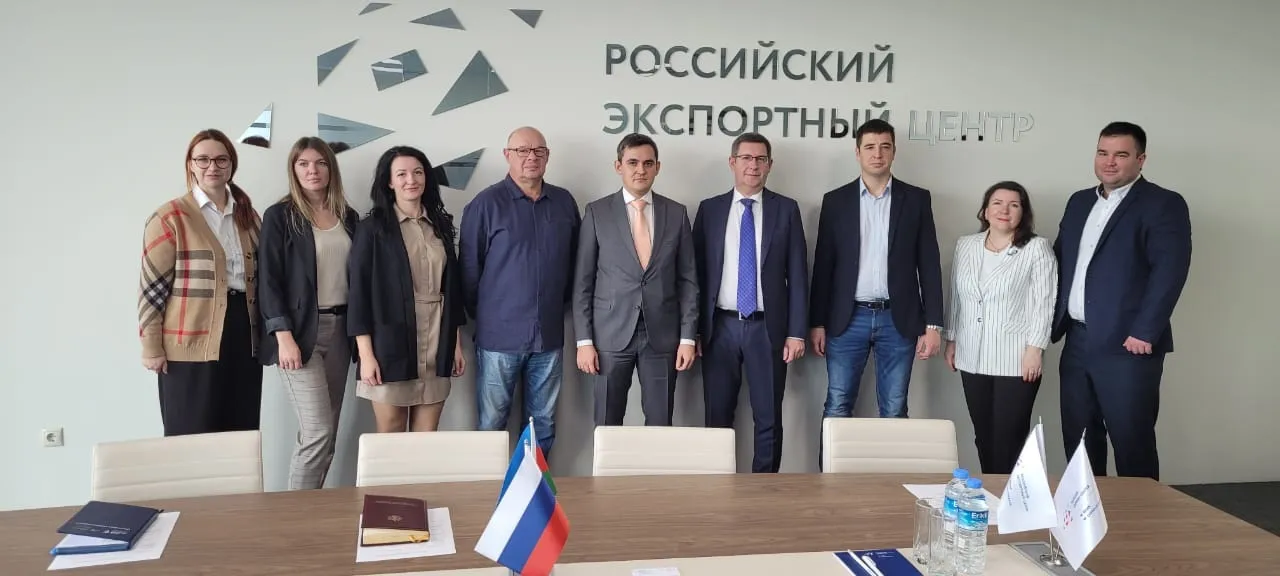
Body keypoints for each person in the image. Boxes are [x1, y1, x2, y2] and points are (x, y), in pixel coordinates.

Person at [1052, 121, 1192, 480]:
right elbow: (1060, 262)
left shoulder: (1163, 204)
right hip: (1077, 340)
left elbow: (1169, 272)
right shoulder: (1079, 201)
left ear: (1141, 160)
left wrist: (1145, 331)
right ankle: (1085, 512)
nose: (1109, 162)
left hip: (1129, 345)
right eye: (1103, 153)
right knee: (1079, 440)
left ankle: (1141, 515)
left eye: (1121, 154)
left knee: (1132, 442)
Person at [809, 119, 945, 421]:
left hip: (899, 319)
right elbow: (824, 266)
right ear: (857, 152)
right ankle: (830, 458)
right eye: (870, 147)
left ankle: (891, 458)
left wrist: (934, 324)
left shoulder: (916, 199)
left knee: (895, 408)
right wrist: (817, 322)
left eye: (885, 147)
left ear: (894, 151)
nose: (877, 154)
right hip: (847, 318)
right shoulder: (836, 201)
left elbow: (929, 264)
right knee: (837, 403)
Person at [460, 127, 580, 457]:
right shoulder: (485, 204)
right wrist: (490, 314)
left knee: (543, 425)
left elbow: (575, 266)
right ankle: (490, 488)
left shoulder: (564, 202)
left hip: (548, 337)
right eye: (522, 151)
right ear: (507, 155)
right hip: (498, 339)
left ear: (547, 156)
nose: (531, 157)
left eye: (539, 151)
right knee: (491, 424)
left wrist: (555, 306)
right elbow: (469, 272)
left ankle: (534, 489)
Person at [692, 132, 807, 473]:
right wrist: (694, 331)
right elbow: (694, 276)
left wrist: (796, 332)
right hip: (719, 328)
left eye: (760, 159)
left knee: (768, 417)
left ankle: (765, 491)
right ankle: (717, 487)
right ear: (732, 162)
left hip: (767, 328)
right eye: (746, 158)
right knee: (717, 416)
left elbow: (798, 274)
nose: (753, 165)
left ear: (770, 165)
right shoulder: (710, 209)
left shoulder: (786, 209)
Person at [138, 128, 263, 436]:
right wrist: (151, 347)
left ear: (231, 165)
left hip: (243, 335)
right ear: (190, 165)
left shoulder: (248, 216)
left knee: (240, 435)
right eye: (203, 159)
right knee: (190, 436)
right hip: (189, 342)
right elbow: (152, 289)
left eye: (221, 159)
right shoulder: (170, 217)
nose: (212, 166)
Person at [573, 133, 698, 426]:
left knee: (659, 423)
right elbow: (583, 283)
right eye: (632, 162)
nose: (640, 170)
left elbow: (688, 282)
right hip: (609, 337)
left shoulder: (676, 213)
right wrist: (584, 341)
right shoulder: (597, 212)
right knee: (607, 423)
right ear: (618, 166)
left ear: (657, 167)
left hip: (662, 337)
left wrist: (688, 338)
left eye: (648, 163)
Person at [257, 137, 359, 489]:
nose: (312, 170)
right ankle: (294, 515)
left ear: (331, 169)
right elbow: (268, 282)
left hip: (342, 331)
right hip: (300, 334)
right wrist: (282, 337)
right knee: (318, 431)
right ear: (294, 169)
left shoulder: (348, 217)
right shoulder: (280, 216)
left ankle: (312, 510)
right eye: (304, 164)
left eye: (320, 163)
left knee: (327, 434)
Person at [348, 145, 467, 433]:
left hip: (437, 339)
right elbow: (359, 295)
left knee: (426, 436)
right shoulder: (372, 229)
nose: (411, 180)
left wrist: (455, 345)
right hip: (389, 342)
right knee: (390, 431)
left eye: (417, 172)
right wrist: (366, 356)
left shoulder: (441, 225)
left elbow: (452, 289)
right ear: (389, 182)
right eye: (401, 174)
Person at [944, 181, 1057, 474]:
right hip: (971, 354)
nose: (1004, 210)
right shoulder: (966, 245)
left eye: (1014, 205)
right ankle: (990, 491)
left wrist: (1036, 349)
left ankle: (1012, 494)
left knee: (1010, 437)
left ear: (1023, 213)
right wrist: (952, 339)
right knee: (983, 435)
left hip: (1016, 358)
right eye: (997, 203)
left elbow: (1044, 302)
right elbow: (956, 296)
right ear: (985, 210)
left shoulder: (1036, 248)